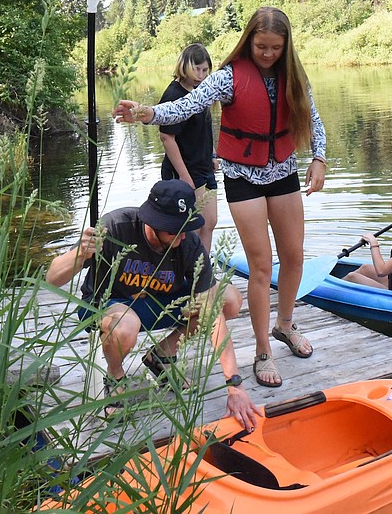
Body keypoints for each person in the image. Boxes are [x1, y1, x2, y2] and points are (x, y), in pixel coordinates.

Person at [113, 6, 327, 389]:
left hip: (283, 173)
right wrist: (147, 113)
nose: (267, 54)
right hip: (243, 177)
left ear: (285, 46)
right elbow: (186, 105)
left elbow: (313, 118)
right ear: (249, 41)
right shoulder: (228, 77)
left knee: (294, 256)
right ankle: (263, 350)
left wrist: (319, 158)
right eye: (261, 46)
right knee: (261, 267)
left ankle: (285, 325)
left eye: (275, 48)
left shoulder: (294, 75)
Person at [45, 179, 258, 430]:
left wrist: (234, 386)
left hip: (161, 303)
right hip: (112, 304)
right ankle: (115, 377)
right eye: (172, 229)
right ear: (153, 221)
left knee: (229, 299)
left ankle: (161, 354)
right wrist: (79, 255)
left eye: (184, 228)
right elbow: (52, 279)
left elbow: (212, 311)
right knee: (124, 326)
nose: (180, 235)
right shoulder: (115, 227)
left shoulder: (188, 243)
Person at [158, 43, 219, 255]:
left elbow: (204, 128)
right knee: (192, 226)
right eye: (196, 69)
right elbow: (167, 136)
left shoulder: (199, 92)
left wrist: (212, 154)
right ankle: (187, 272)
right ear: (184, 66)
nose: (200, 75)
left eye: (205, 70)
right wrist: (184, 177)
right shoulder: (174, 95)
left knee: (210, 222)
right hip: (184, 170)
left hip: (203, 167)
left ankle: (202, 272)